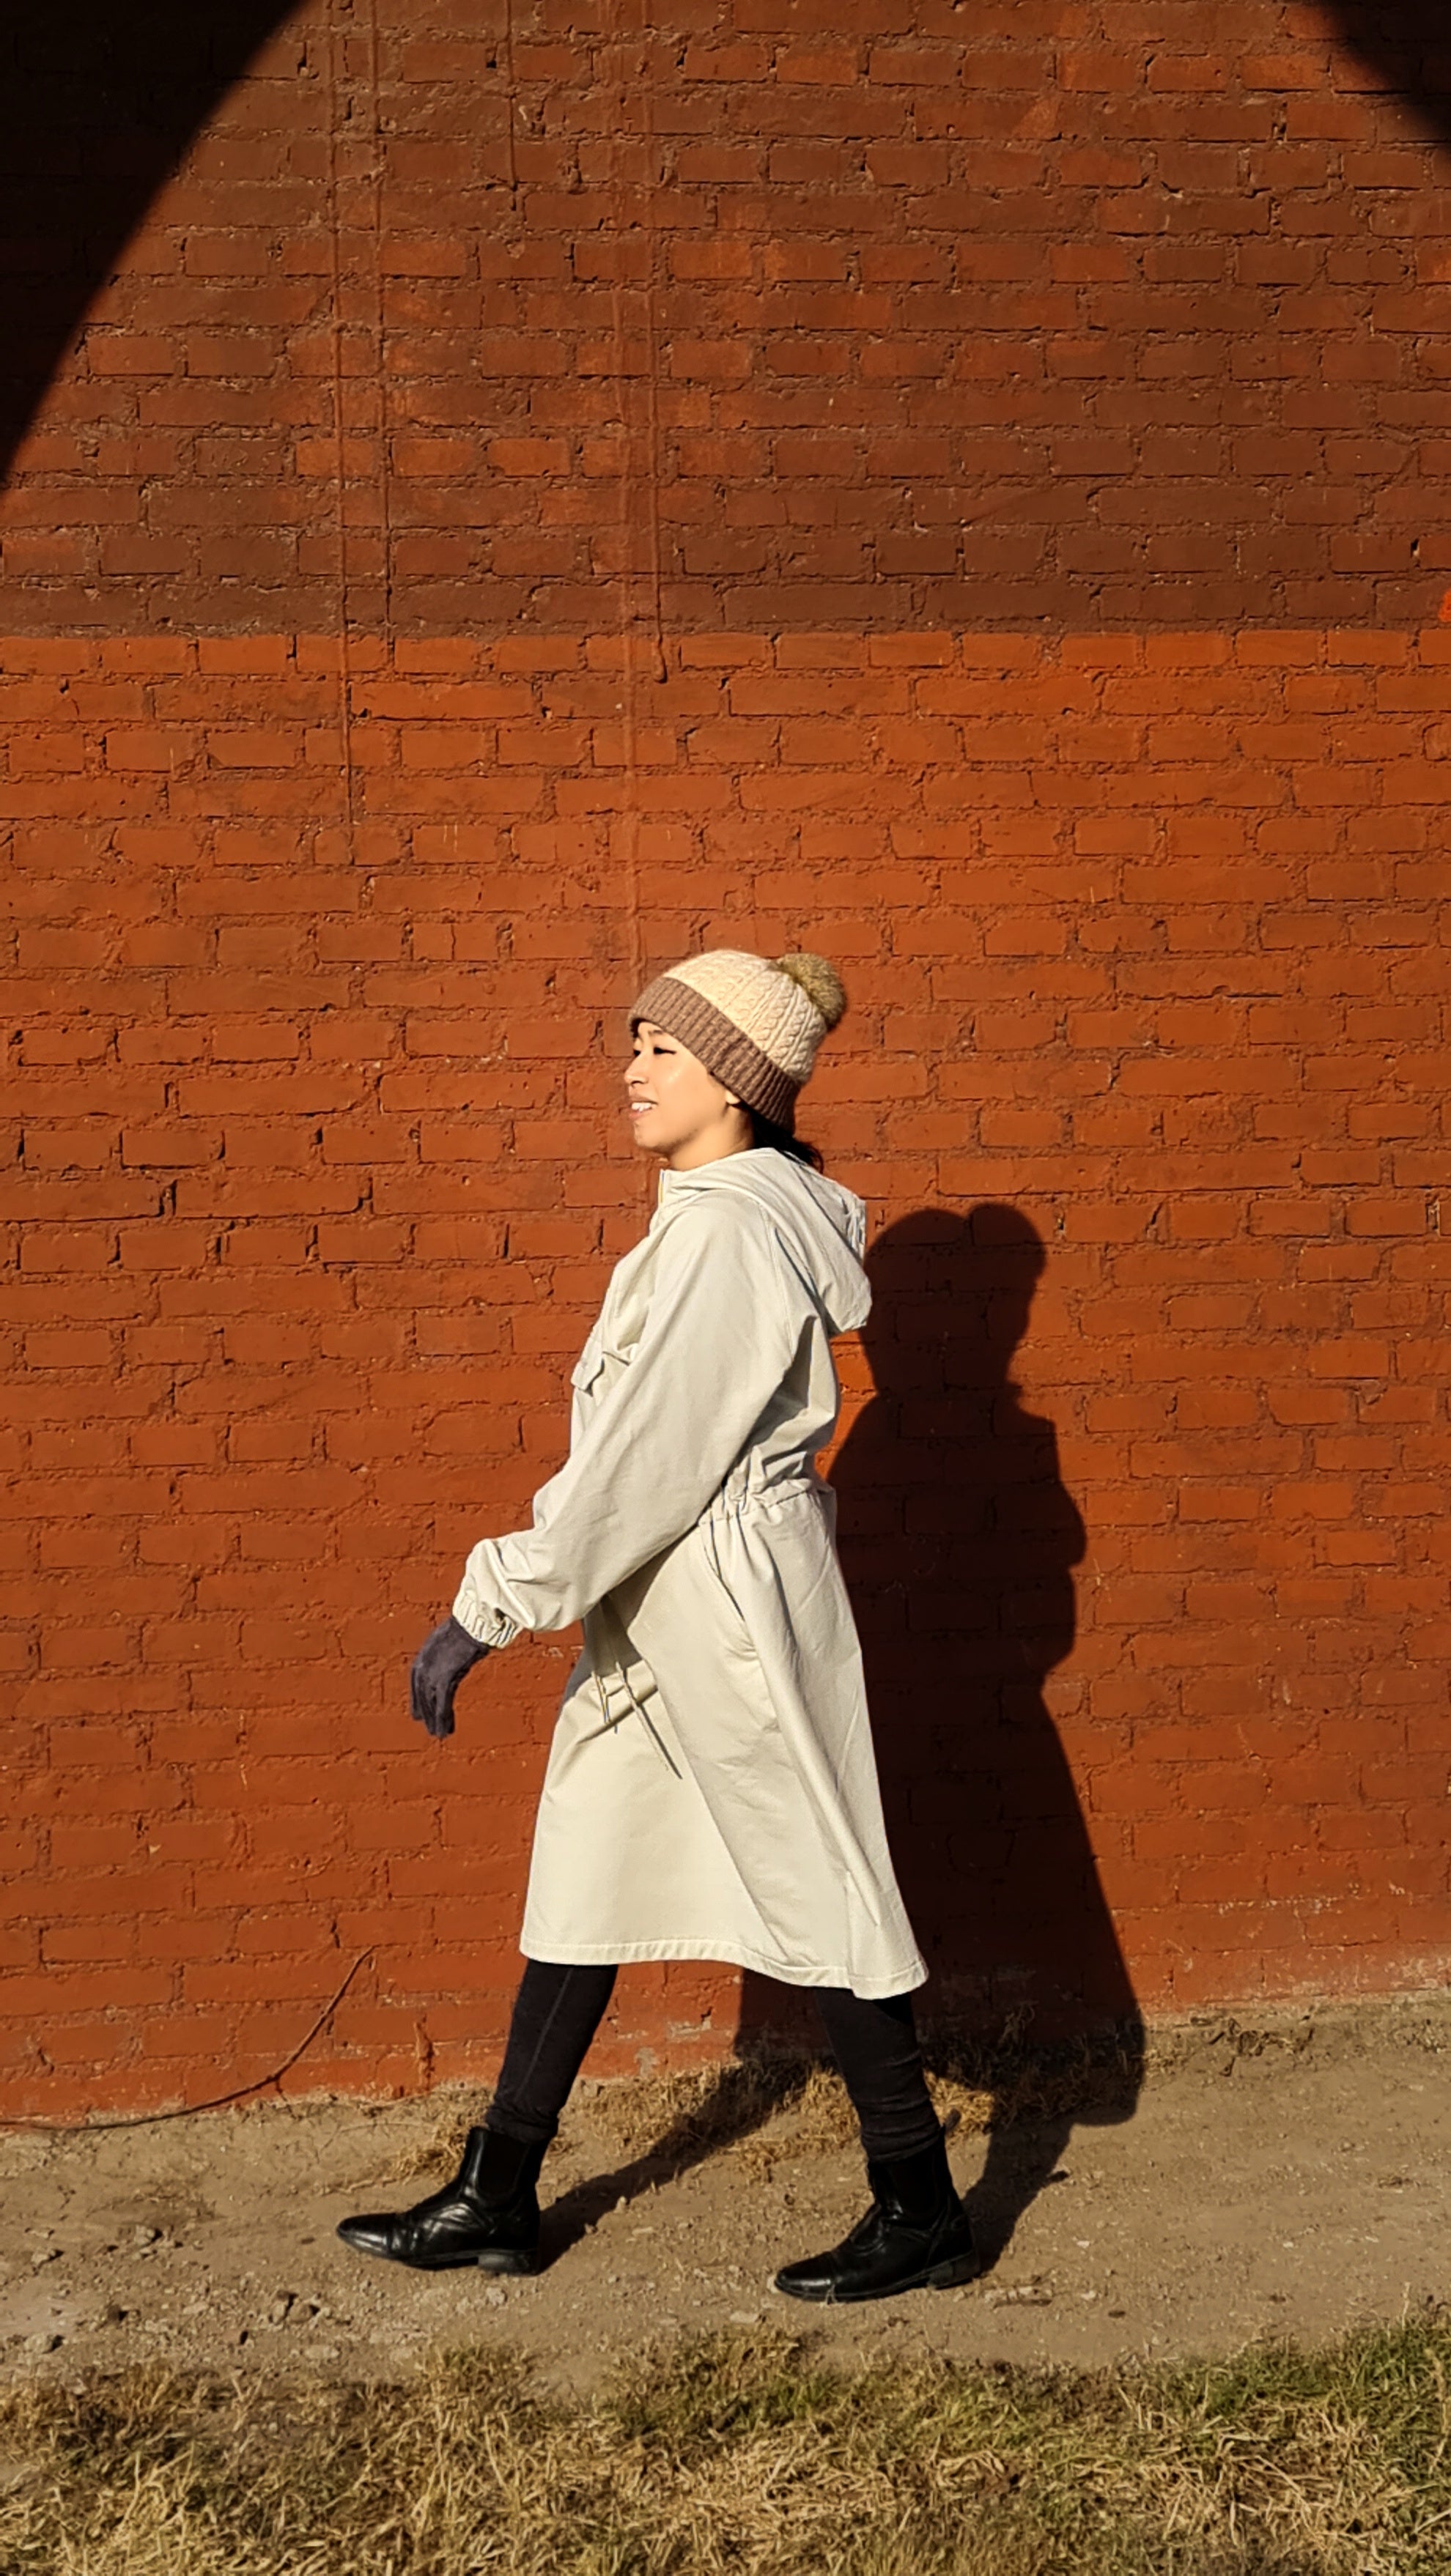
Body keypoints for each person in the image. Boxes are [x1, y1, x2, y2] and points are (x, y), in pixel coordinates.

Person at [338, 948, 976, 2303]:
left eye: (664, 1051)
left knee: (820, 1880)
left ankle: (922, 2205)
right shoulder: (718, 1216)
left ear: (736, 1084)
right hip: (672, 1590)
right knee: (586, 1858)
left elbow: (641, 1457)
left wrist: (486, 1604)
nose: (631, 1069)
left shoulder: (726, 1234)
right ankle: (498, 2195)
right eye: (630, 1044)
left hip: (723, 1594)